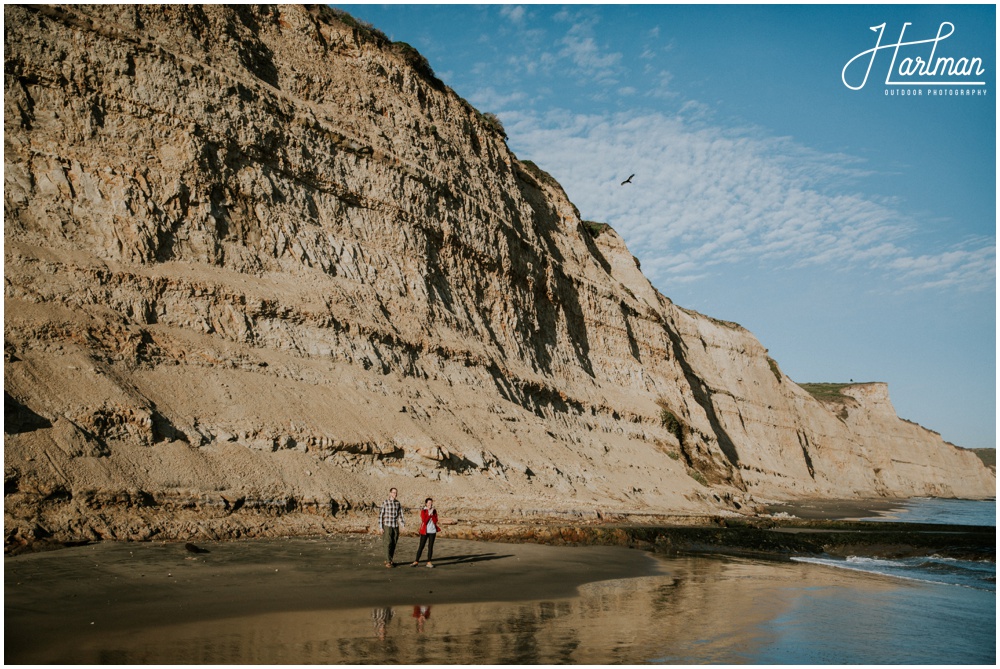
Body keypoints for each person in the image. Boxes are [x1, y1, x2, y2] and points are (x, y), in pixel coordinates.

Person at [377, 487, 404, 568]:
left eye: (396, 493)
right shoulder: (385, 502)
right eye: (393, 492)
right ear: (390, 493)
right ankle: (388, 561)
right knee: (387, 542)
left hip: (395, 526)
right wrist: (380, 527)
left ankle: (389, 559)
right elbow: (381, 515)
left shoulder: (398, 503)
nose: (395, 494)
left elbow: (400, 515)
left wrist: (402, 524)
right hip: (387, 525)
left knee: (394, 543)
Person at [410, 497, 439, 568]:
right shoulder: (423, 511)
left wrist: (432, 514)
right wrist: (429, 514)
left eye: (431, 503)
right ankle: (416, 561)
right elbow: (424, 521)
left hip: (432, 531)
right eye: (429, 503)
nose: (430, 504)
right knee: (421, 546)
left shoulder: (434, 511)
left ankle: (429, 562)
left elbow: (435, 520)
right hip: (425, 531)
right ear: (426, 503)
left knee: (430, 547)